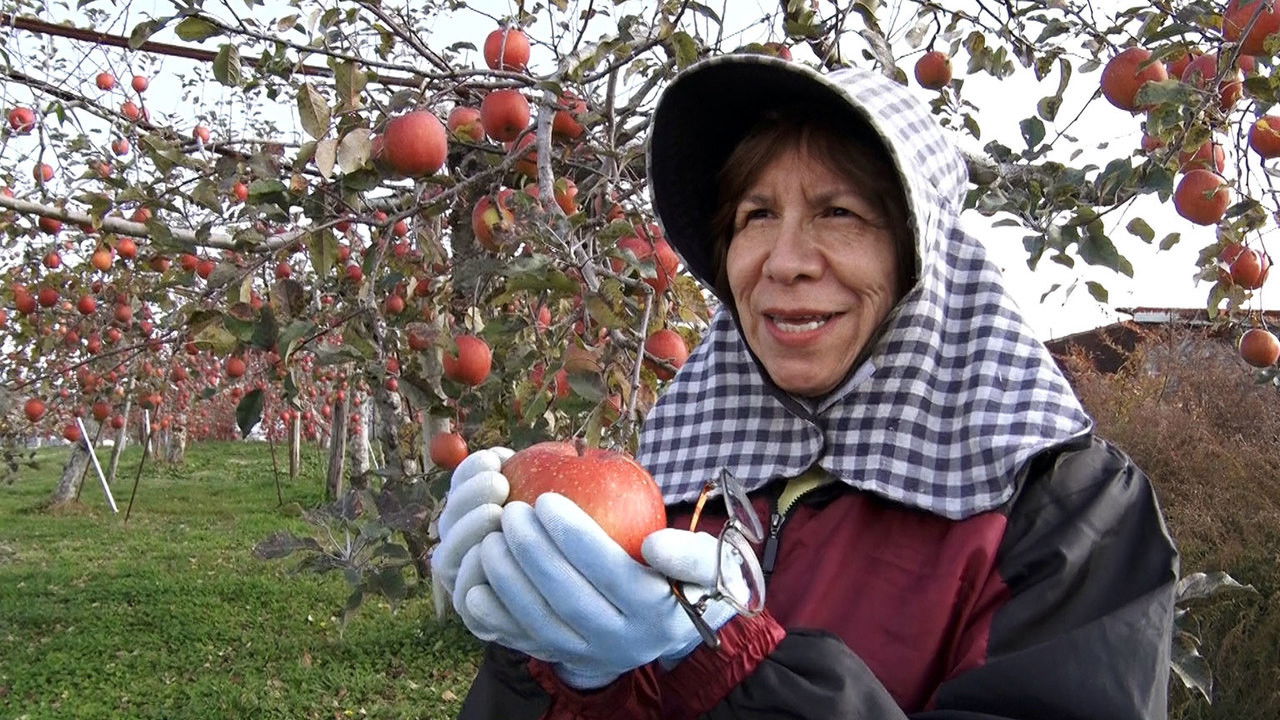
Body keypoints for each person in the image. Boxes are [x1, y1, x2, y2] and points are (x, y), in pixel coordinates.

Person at [430, 54, 1179, 719]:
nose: (784, 261)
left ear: (921, 259)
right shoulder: (680, 485)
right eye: (756, 215)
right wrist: (555, 673)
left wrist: (725, 665)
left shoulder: (1068, 509)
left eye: (840, 212)